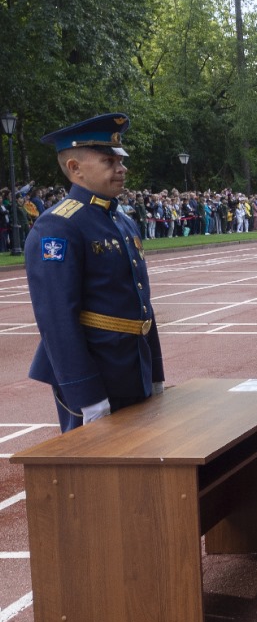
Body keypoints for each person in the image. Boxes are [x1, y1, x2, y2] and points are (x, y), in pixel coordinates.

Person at [25, 113, 164, 432]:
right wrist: (86, 394)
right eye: (108, 161)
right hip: (96, 374)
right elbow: (57, 319)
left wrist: (155, 373)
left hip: (132, 367)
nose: (122, 168)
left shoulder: (122, 222)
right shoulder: (58, 225)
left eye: (120, 160)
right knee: (94, 476)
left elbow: (143, 303)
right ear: (75, 169)